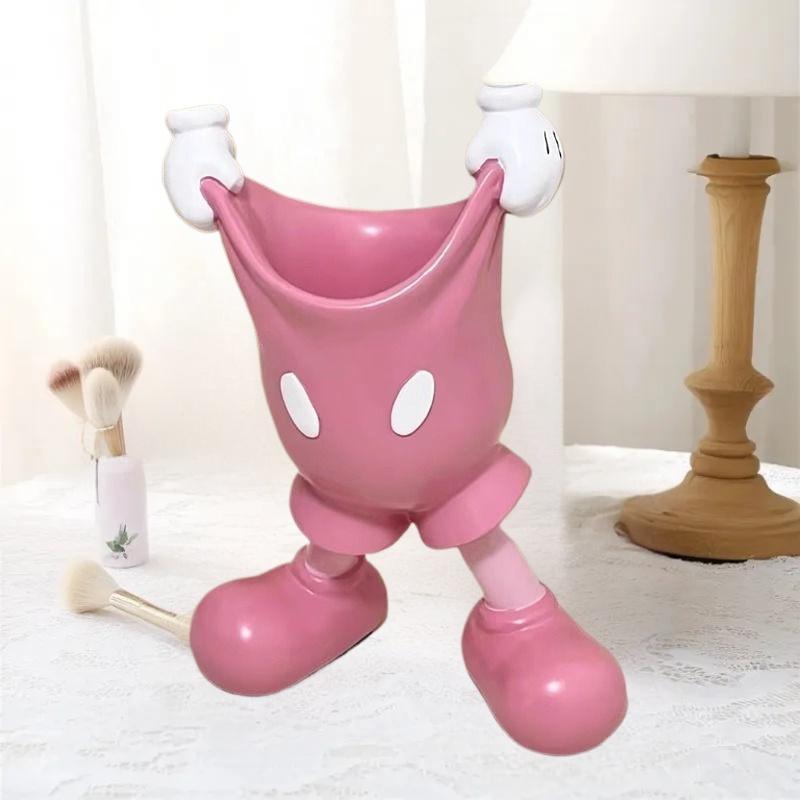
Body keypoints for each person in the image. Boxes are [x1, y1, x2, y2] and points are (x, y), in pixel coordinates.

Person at [163, 81, 626, 756]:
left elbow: (528, 177)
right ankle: (328, 586)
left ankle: (516, 614)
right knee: (248, 627)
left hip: (453, 465)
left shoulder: (488, 221)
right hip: (336, 475)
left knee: (491, 559)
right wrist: (211, 186)